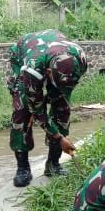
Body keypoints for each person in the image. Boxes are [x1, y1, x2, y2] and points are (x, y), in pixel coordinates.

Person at [7, 29, 88, 187]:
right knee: (22, 111)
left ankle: (53, 164)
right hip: (24, 55)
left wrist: (61, 134)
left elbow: (66, 89)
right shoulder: (32, 69)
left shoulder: (80, 59)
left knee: (62, 109)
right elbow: (37, 111)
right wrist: (59, 137)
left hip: (51, 57)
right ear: (49, 73)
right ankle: (23, 168)